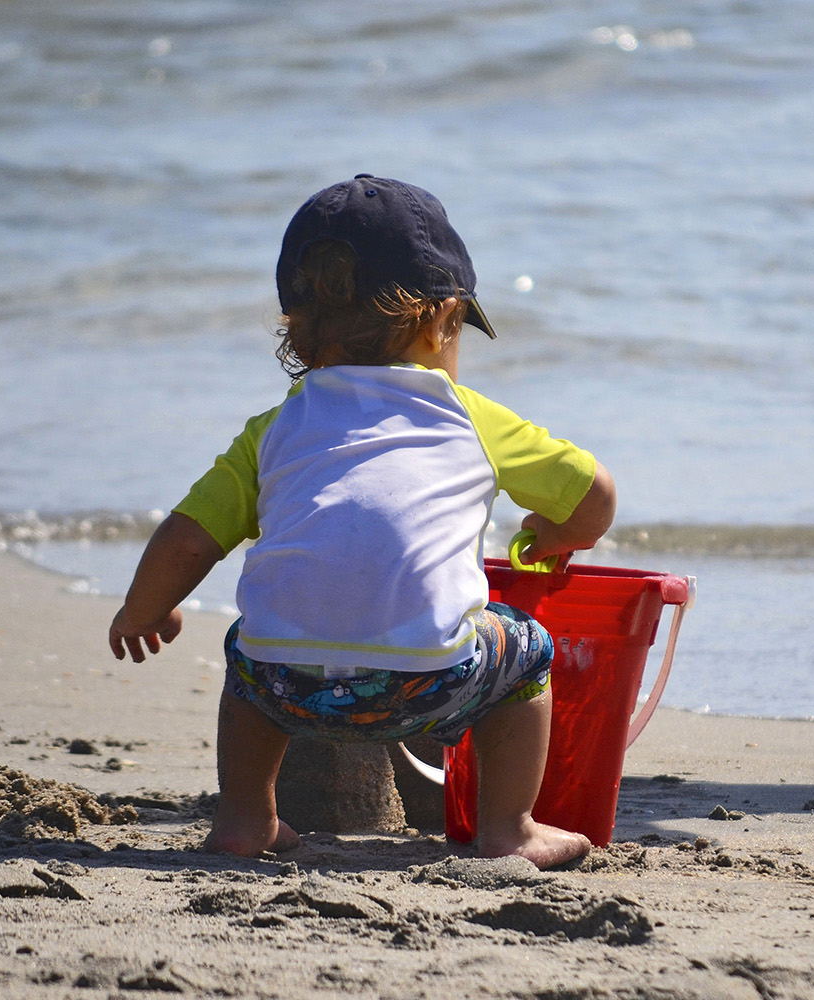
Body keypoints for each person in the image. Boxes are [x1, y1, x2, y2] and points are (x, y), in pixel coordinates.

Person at [108, 174, 616, 869]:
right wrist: (556, 537)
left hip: (286, 688)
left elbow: (189, 537)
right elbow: (595, 496)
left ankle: (245, 818)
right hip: (431, 686)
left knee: (246, 649)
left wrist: (145, 610)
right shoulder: (466, 415)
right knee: (528, 648)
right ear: (439, 319)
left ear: (298, 325)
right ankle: (510, 828)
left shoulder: (277, 428)